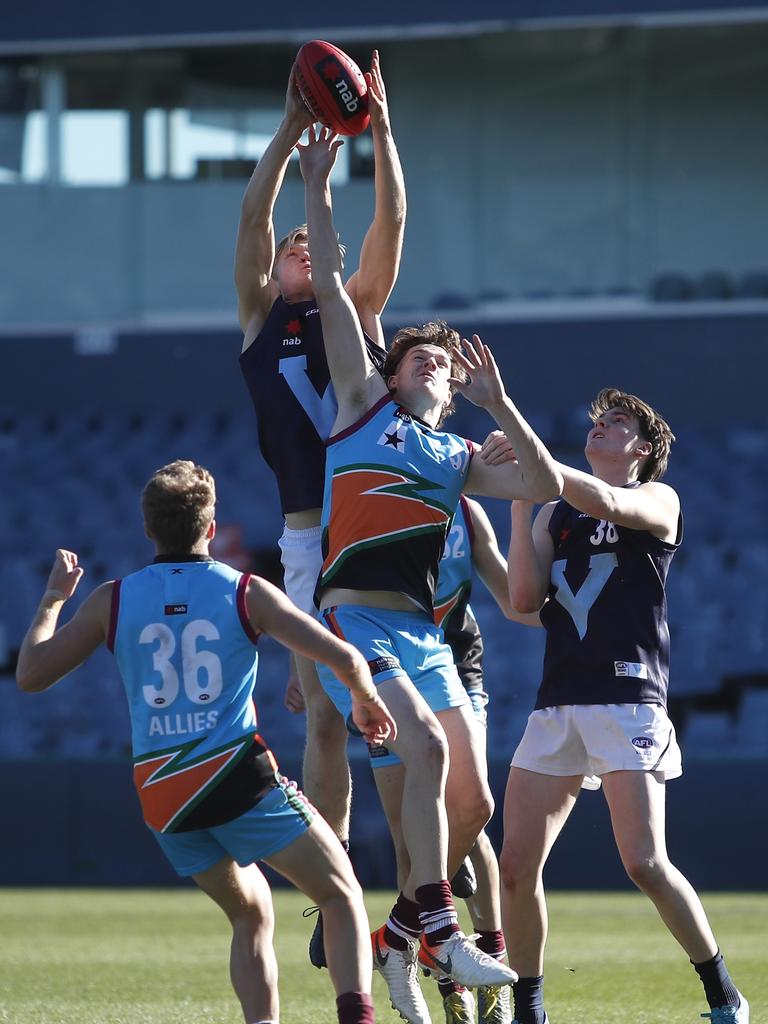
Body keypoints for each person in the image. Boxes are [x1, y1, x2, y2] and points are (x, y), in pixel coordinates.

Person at [297, 123, 563, 1024]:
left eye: (442, 360)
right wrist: (318, 184)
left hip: (421, 630)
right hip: (354, 621)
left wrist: (503, 405)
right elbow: (333, 282)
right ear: (393, 370)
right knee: (429, 747)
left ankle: (404, 937)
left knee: (473, 800)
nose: (432, 361)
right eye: (420, 354)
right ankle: (440, 929)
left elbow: (538, 480)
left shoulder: (455, 453)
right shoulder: (363, 405)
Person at [16, 459, 397, 1024]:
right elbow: (341, 656)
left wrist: (51, 599)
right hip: (235, 776)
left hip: (162, 793)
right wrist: (366, 700)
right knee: (340, 894)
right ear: (212, 528)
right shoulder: (244, 590)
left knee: (251, 913)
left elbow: (31, 675)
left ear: (148, 529)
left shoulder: (111, 600)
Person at [496, 389, 749, 1024]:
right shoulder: (553, 515)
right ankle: (530, 1008)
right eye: (598, 421)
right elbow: (524, 600)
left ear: (642, 448)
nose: (602, 427)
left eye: (618, 424)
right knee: (515, 865)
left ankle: (723, 994)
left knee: (643, 862)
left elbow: (607, 501)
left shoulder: (659, 500)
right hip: (558, 703)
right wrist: (523, 501)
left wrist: (521, 441)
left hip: (628, 700)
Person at [235, 51, 405, 967]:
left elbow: (388, 225)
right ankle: (338, 883)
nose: (301, 249)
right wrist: (288, 131)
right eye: (295, 248)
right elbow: (256, 216)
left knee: (410, 709)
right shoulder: (261, 317)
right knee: (327, 718)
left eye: (312, 244)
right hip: (308, 532)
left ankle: (426, 885)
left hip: (378, 521)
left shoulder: (360, 308)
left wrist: (378, 136)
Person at [374, 495, 540, 1024]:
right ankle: (452, 990)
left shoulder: (466, 512)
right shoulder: (369, 494)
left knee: (468, 815)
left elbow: (515, 600)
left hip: (455, 667)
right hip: (386, 665)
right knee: (409, 835)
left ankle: (485, 960)